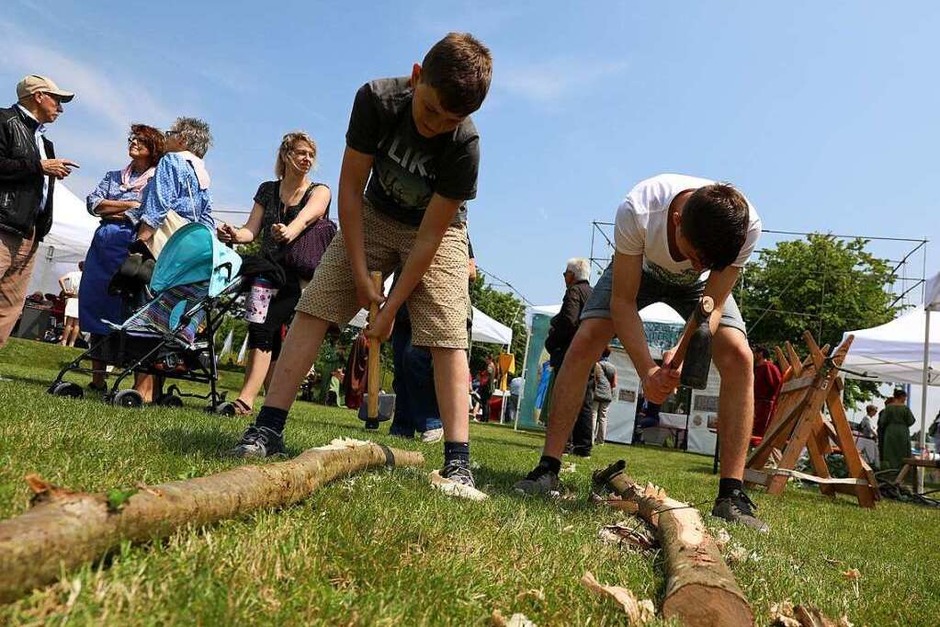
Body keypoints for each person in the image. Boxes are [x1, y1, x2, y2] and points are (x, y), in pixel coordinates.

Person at [230, 33, 493, 491]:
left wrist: (391, 308)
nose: (435, 126)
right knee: (315, 307)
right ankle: (267, 427)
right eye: (430, 110)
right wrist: (358, 274)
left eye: (449, 120)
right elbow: (350, 190)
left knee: (449, 333)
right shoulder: (377, 99)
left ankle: (457, 462)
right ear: (416, 77)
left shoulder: (465, 143)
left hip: (437, 231)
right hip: (372, 213)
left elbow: (430, 235)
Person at [515, 174, 767, 533]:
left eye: (709, 262)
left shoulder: (745, 227)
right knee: (585, 341)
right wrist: (648, 370)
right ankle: (548, 468)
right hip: (638, 269)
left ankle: (731, 495)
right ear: (676, 221)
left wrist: (681, 352)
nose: (697, 267)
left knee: (740, 356)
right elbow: (622, 302)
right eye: (695, 256)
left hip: (700, 293)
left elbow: (711, 304)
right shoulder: (639, 210)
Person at [216, 131, 331, 415]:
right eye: (301, 153)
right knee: (263, 330)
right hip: (265, 271)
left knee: (264, 327)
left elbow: (306, 218)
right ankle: (267, 402)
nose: (307, 159)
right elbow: (250, 231)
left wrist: (288, 231)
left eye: (311, 155)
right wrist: (233, 235)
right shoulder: (267, 190)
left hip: (298, 276)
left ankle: (245, 399)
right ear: (286, 155)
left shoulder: (320, 191)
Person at [81, 124, 165, 391]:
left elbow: (147, 212)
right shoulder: (113, 175)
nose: (134, 143)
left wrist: (113, 208)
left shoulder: (157, 181)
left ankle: (140, 386)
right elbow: (93, 203)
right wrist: (129, 205)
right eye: (132, 138)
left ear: (153, 148)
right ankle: (97, 380)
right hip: (102, 246)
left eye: (141, 140)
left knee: (133, 309)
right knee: (97, 304)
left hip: (134, 245)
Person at [0, 75, 78, 348]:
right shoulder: (4, 120)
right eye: (57, 100)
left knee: (10, 305)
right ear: (38, 96)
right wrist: (39, 167)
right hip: (3, 225)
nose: (60, 108)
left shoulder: (45, 143)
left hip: (30, 231)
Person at [128, 117, 214, 249]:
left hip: (164, 240)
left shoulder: (171, 159)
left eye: (170, 134)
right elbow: (206, 218)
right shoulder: (201, 173)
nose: (166, 138)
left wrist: (140, 241)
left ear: (182, 139)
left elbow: (158, 204)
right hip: (186, 243)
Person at [544, 258, 594, 456]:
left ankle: (563, 443)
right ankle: (583, 446)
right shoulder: (593, 293)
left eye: (565, 274)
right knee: (585, 399)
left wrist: (552, 341)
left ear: (572, 275)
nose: (564, 277)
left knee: (564, 396)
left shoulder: (574, 291)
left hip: (570, 351)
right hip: (589, 351)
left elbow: (569, 320)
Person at [878, 388, 915, 471]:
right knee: (903, 451)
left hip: (890, 431)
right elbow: (911, 421)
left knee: (890, 451)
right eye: (905, 397)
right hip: (903, 431)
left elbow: (882, 421)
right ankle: (901, 470)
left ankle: (889, 470)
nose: (905, 399)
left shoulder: (888, 408)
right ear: (902, 397)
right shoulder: (905, 408)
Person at [752, 346, 782, 437]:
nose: (753, 355)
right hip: (756, 403)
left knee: (762, 430)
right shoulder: (756, 368)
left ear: (761, 353)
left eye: (755, 353)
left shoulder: (769, 367)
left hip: (766, 404)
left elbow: (777, 384)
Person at [592, 348, 617, 444]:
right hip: (607, 394)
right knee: (603, 417)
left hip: (596, 393)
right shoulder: (613, 367)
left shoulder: (597, 365)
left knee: (593, 415)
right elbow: (614, 384)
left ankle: (591, 438)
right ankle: (601, 440)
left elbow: (594, 379)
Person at [57, 261, 83, 347]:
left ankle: (64, 341)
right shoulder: (87, 276)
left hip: (72, 297)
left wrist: (65, 290)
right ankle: (72, 343)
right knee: (77, 324)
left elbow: (61, 279)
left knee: (69, 322)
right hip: (81, 300)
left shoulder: (72, 274)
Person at [478, 354, 496, 422]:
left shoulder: (490, 366)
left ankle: (484, 418)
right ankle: (486, 418)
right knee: (486, 403)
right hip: (489, 386)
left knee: (485, 403)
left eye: (486, 359)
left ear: (490, 359)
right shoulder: (492, 365)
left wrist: (482, 375)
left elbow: (488, 375)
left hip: (487, 386)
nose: (485, 360)